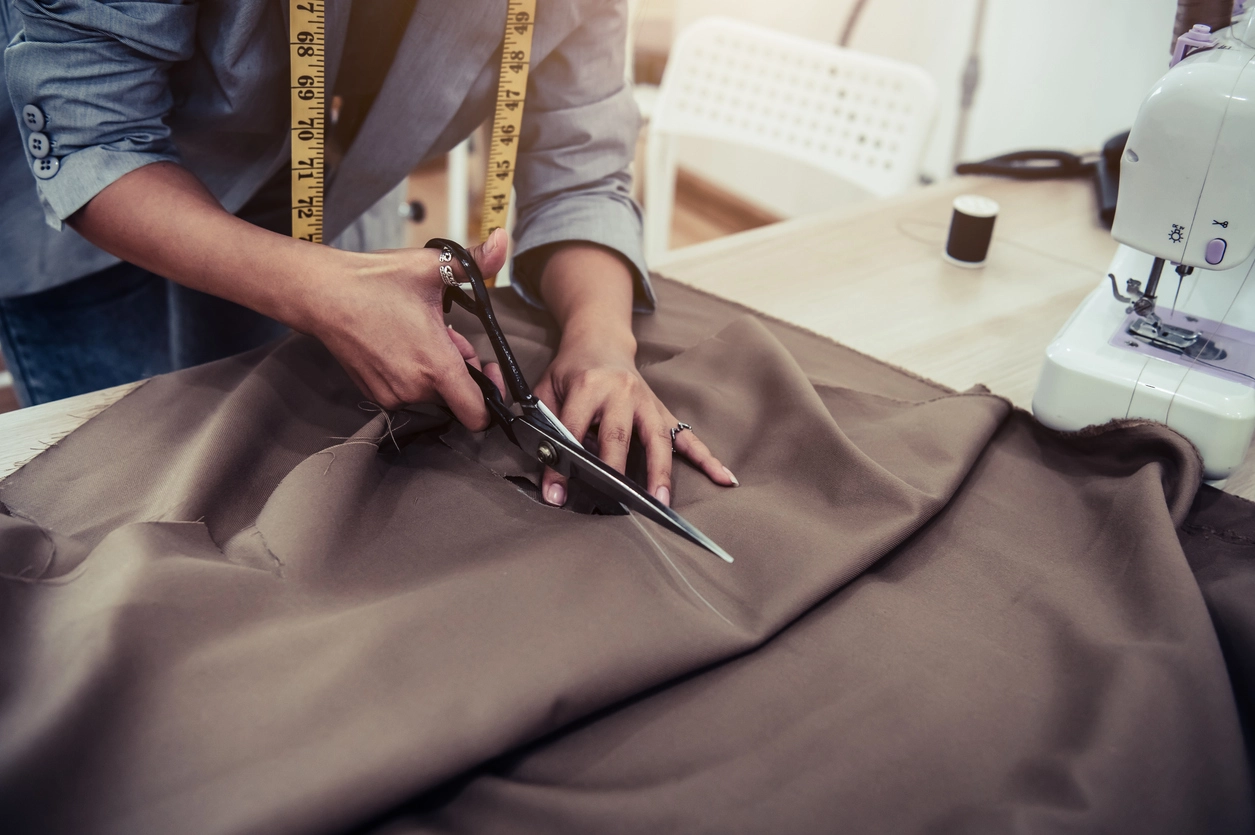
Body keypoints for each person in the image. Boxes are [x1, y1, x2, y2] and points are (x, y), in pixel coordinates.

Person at [0, 0, 737, 507]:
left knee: (298, 471)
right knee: (129, 493)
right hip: (103, 222)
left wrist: (602, 342)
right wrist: (318, 288)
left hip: (336, 188)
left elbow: (583, 172)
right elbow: (96, 134)